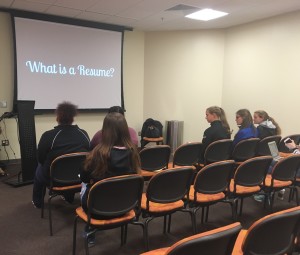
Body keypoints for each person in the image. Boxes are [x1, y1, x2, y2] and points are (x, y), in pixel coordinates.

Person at [32, 101, 90, 208]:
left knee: (39, 168)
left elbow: (40, 158)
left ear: (57, 118)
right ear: (73, 118)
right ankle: (69, 198)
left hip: (54, 180)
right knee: (74, 164)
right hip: (78, 178)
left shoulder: (48, 135)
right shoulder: (83, 134)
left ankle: (37, 202)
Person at [80, 112, 141, 214]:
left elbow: (84, 177)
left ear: (105, 131)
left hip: (97, 209)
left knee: (84, 184)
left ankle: (89, 227)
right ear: (125, 130)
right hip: (126, 206)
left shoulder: (98, 153)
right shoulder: (133, 152)